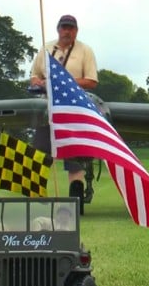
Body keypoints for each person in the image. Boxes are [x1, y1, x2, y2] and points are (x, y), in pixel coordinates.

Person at [29, 14, 98, 196]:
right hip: (47, 108)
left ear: (76, 31)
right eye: (64, 27)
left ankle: (76, 195)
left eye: (71, 28)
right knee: (40, 153)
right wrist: (38, 83)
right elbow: (34, 74)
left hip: (74, 111)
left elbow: (91, 81)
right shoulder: (46, 48)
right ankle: (35, 193)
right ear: (58, 29)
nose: (66, 31)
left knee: (75, 156)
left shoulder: (85, 51)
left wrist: (64, 83)